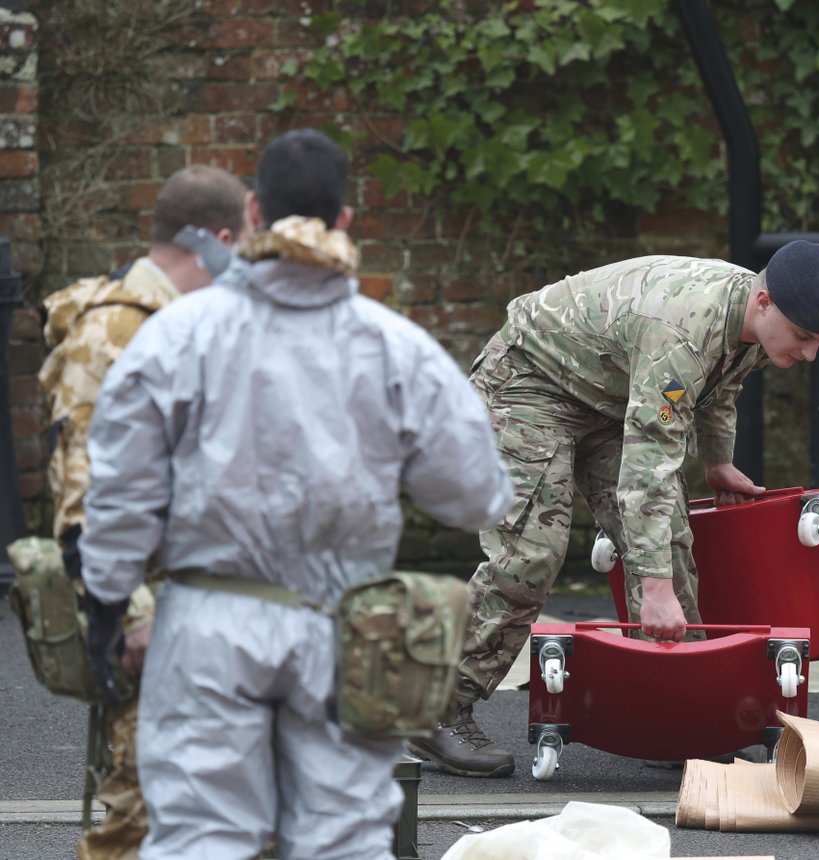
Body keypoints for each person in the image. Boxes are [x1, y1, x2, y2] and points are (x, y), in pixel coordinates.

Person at [78, 129, 513, 859]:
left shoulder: (177, 337)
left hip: (207, 623)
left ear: (254, 212)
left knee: (202, 838)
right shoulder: (394, 348)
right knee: (342, 841)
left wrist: (107, 603)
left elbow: (119, 490)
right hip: (341, 632)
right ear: (345, 220)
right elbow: (477, 496)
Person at [409, 240, 819, 777]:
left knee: (667, 539)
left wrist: (718, 462)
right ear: (763, 302)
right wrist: (656, 590)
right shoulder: (683, 331)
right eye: (804, 338)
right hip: (530, 384)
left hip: (609, 394)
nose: (809, 355)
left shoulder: (756, 318)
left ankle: (678, 716)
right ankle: (434, 712)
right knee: (531, 555)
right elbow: (651, 465)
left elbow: (721, 384)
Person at [37, 164, 249, 860]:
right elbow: (86, 501)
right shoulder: (115, 336)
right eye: (243, 242)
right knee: (145, 820)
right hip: (150, 619)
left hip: (205, 612)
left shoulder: (186, 327)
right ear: (218, 238)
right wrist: (132, 617)